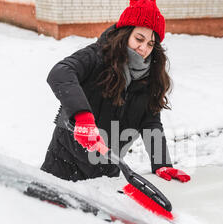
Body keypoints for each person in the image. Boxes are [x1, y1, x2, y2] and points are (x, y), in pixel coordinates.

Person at [41, 0, 190, 184]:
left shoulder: (150, 77)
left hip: (105, 174)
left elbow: (150, 122)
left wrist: (161, 163)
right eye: (139, 39)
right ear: (125, 33)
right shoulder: (97, 55)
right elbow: (61, 72)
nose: (144, 49)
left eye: (151, 44)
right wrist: (83, 117)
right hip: (63, 163)